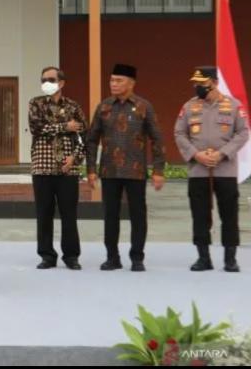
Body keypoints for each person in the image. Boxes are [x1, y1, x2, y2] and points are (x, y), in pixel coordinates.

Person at [87, 64, 165, 272]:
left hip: (135, 170)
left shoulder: (143, 106)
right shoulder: (104, 107)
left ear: (131, 83)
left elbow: (157, 139)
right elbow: (92, 139)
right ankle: (112, 257)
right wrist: (91, 169)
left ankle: (137, 257)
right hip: (109, 171)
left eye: (118, 80)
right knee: (110, 215)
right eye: (111, 80)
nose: (113, 84)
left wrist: (158, 170)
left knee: (138, 215)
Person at [174, 66, 248, 273]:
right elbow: (179, 133)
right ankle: (203, 257)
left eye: (202, 84)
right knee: (200, 214)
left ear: (214, 83)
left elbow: (242, 133)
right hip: (199, 170)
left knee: (229, 214)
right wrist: (196, 154)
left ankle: (230, 259)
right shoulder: (189, 107)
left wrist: (222, 153)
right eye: (195, 84)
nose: (197, 87)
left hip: (225, 169)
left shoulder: (233, 106)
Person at [28, 67, 87, 270]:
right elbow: (36, 128)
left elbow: (83, 135)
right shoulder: (36, 103)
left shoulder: (73, 106)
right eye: (43, 79)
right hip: (42, 167)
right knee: (44, 214)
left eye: (51, 79)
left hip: (67, 169)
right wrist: (64, 127)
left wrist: (75, 158)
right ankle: (47, 255)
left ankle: (71, 256)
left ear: (61, 82)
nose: (46, 82)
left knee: (69, 214)